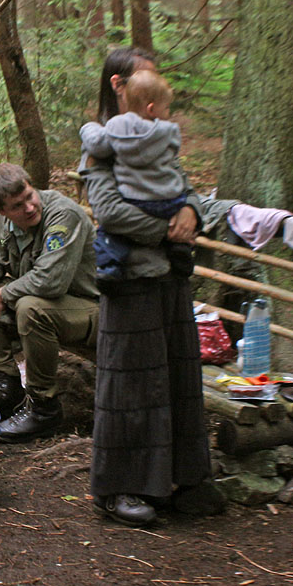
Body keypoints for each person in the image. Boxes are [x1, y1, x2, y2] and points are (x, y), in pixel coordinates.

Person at [81, 46, 232, 527]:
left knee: (178, 378)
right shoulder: (103, 144)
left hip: (171, 276)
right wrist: (168, 230)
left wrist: (191, 211)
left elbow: (184, 189)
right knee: (131, 385)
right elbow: (109, 210)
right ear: (119, 87)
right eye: (146, 80)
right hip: (129, 281)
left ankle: (183, 480)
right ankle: (120, 488)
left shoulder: (159, 136)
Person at [0, 163, 99, 443]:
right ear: (2, 211)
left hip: (92, 309)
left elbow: (52, 281)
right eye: (17, 205)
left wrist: (5, 293)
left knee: (31, 308)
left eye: (29, 195)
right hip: (50, 304)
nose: (29, 207)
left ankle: (44, 407)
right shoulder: (0, 222)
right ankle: (7, 383)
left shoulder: (63, 215)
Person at [80, 69, 192, 280]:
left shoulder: (114, 131)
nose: (169, 113)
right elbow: (110, 212)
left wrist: (87, 128)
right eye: (167, 107)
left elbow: (97, 144)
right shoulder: (167, 134)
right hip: (169, 204)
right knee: (112, 228)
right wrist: (174, 231)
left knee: (106, 236)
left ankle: (109, 264)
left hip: (136, 200)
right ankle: (180, 248)